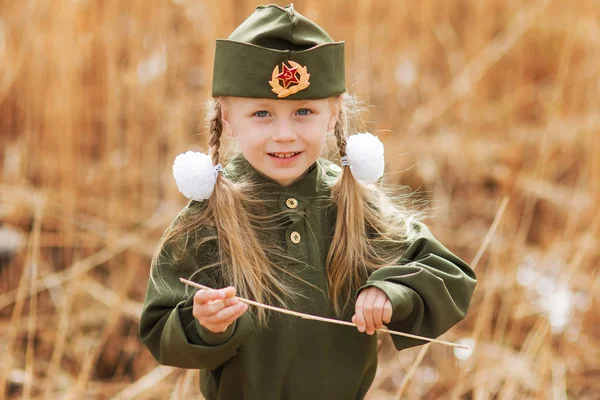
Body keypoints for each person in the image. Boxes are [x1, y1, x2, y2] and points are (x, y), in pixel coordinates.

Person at [139, 4, 477, 399]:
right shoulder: (207, 217)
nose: (285, 134)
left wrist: (391, 292)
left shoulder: (353, 204)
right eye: (262, 113)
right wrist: (204, 324)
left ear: (332, 115)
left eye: (304, 111)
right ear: (228, 118)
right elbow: (159, 328)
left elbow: (450, 275)